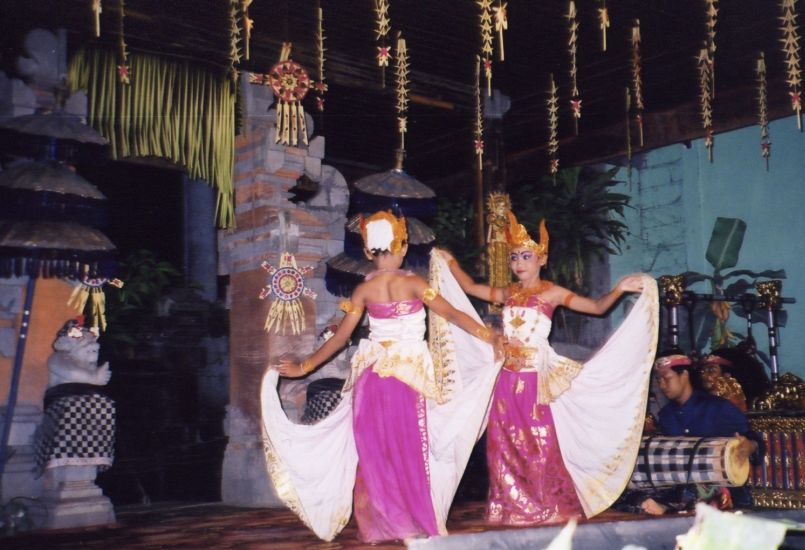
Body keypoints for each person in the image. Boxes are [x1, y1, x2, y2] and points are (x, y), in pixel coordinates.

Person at [263, 210, 503, 542]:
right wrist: (489, 335)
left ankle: (384, 524)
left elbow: (338, 339)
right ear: (403, 247)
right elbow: (453, 314)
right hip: (406, 380)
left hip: (372, 380)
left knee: (376, 453)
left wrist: (304, 367)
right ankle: (413, 521)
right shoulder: (415, 283)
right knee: (410, 450)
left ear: (367, 252)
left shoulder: (363, 290)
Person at [441, 211, 658, 526]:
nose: (519, 263)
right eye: (515, 257)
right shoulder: (508, 293)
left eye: (526, 256)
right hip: (505, 379)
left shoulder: (552, 293)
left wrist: (620, 288)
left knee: (540, 443)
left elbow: (597, 308)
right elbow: (472, 287)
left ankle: (548, 506)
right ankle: (510, 507)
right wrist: (449, 263)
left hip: (536, 379)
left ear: (541, 258)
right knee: (503, 443)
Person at [631, 353, 761, 515]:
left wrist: (750, 445)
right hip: (680, 484)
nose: (662, 385)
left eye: (666, 378)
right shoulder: (666, 415)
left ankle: (667, 507)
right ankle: (664, 505)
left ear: (684, 375)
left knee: (701, 485)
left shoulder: (718, 408)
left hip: (722, 490)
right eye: (658, 380)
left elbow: (755, 440)